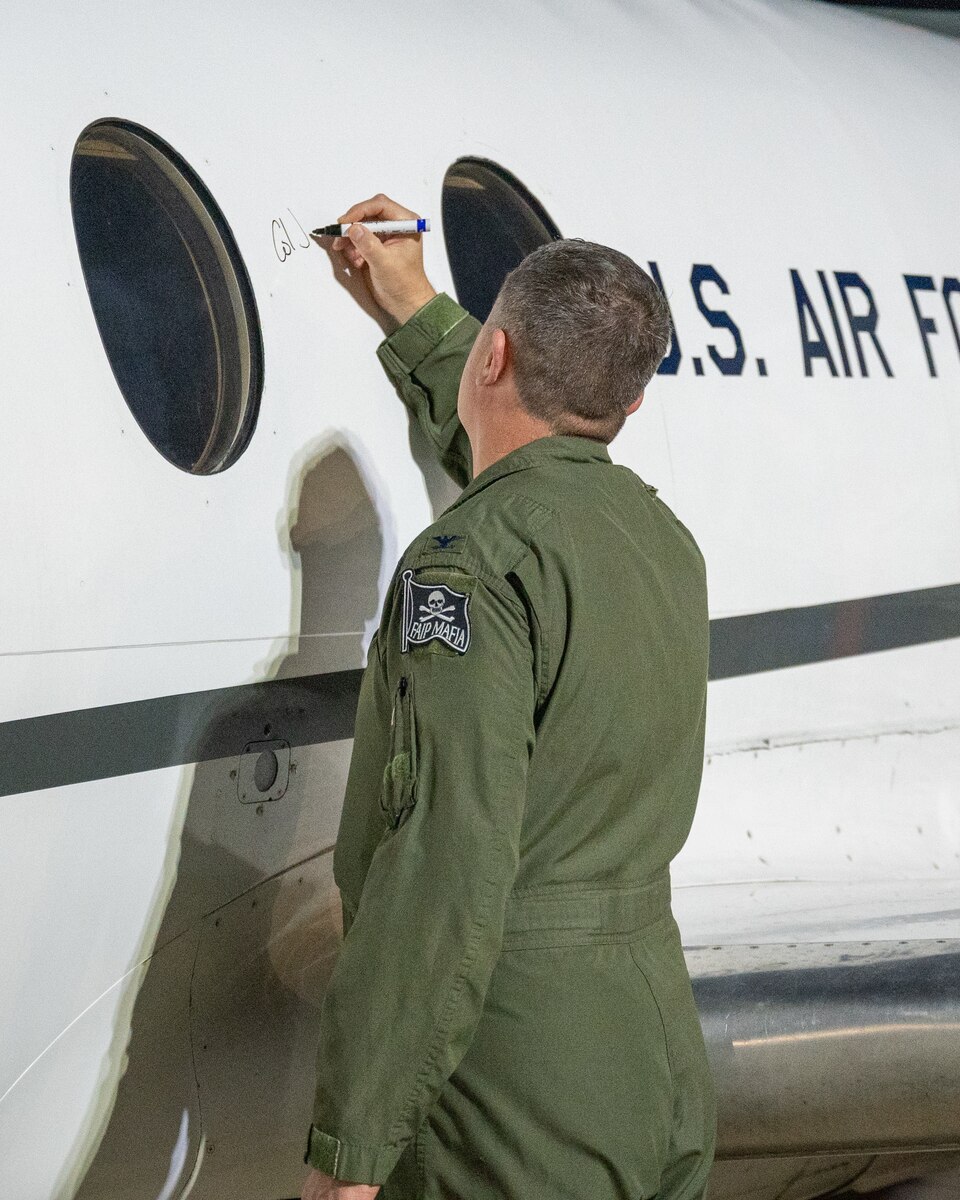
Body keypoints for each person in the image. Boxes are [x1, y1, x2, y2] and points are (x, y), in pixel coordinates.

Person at [301, 194, 716, 1200]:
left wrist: (350, 1155)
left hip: (514, 1089)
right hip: (649, 1057)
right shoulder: (654, 536)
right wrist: (419, 316)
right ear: (632, 402)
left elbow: (446, 863)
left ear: (492, 359)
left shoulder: (466, 569)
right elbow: (532, 473)